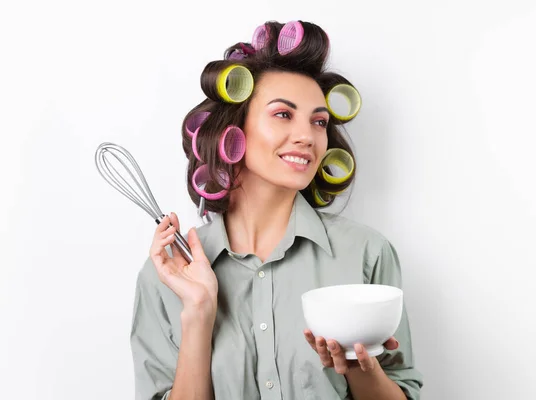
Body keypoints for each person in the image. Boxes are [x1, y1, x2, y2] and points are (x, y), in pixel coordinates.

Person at [130, 20, 423, 400]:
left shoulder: (366, 253)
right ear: (233, 131)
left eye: (319, 121)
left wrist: (355, 366)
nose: (308, 136)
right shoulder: (169, 276)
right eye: (283, 114)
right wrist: (200, 313)